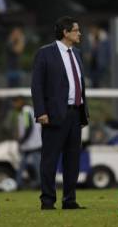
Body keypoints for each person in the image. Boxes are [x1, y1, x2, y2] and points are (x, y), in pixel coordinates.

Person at [31, 16, 89, 210]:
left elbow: (79, 83)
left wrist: (83, 111)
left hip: (75, 113)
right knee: (50, 159)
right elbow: (37, 85)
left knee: (72, 160)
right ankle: (47, 201)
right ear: (66, 32)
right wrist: (41, 111)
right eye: (76, 30)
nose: (79, 33)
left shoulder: (77, 53)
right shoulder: (45, 53)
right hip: (54, 114)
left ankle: (69, 201)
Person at [13, 96, 42, 189]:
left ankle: (39, 183)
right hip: (29, 144)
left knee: (36, 165)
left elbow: (28, 127)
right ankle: (19, 183)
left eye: (15, 102)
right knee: (23, 165)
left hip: (32, 143)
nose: (14, 105)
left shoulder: (26, 111)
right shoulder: (25, 111)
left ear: (20, 101)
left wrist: (22, 140)